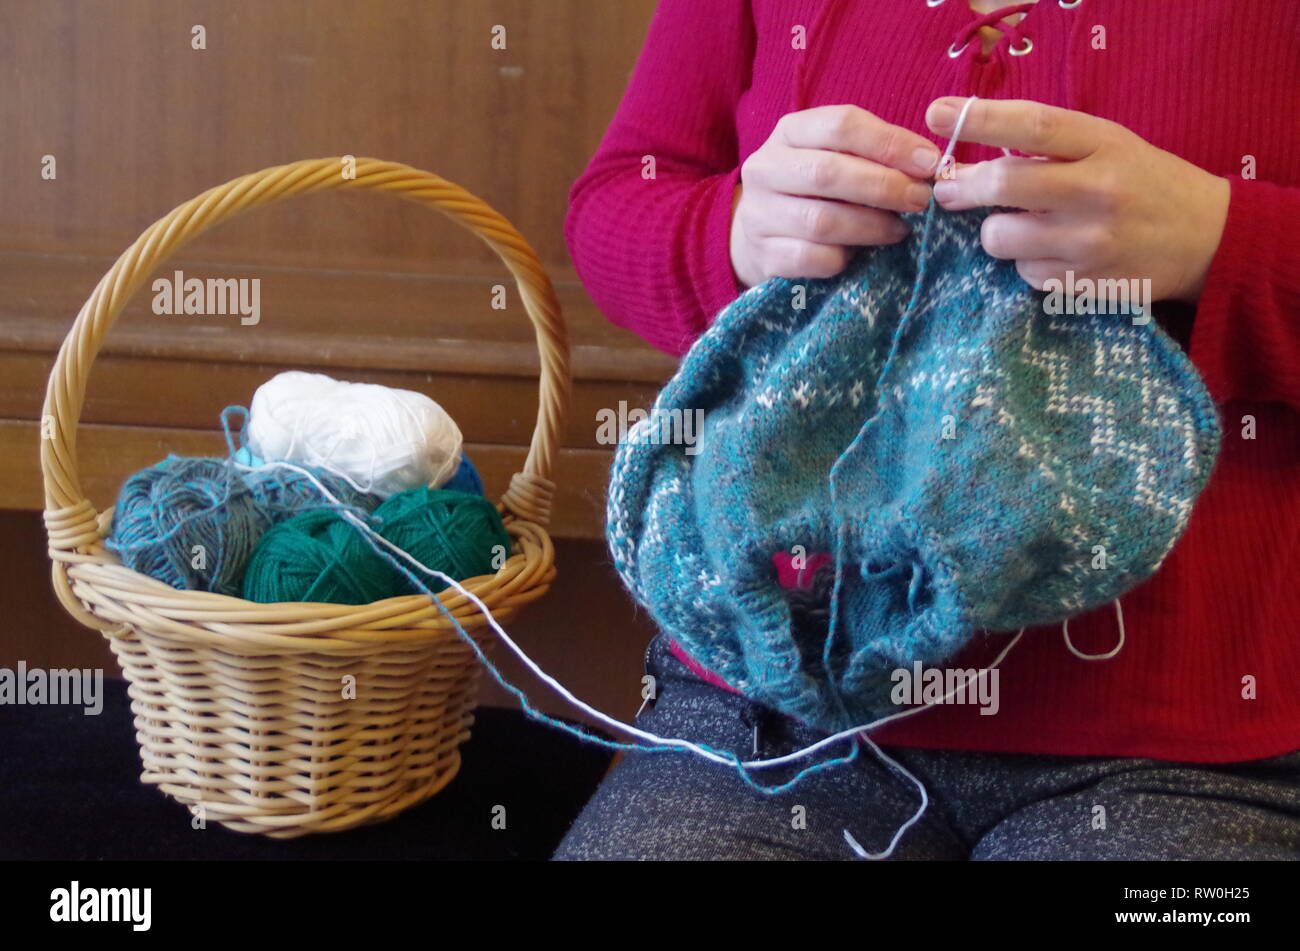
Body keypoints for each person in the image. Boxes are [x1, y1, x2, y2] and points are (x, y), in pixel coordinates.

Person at [553, 0, 1300, 860]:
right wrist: (732, 231)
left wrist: (1220, 236)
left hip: (1194, 752)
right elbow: (617, 202)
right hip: (771, 714)